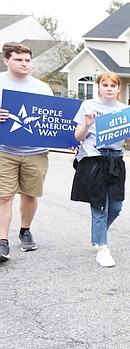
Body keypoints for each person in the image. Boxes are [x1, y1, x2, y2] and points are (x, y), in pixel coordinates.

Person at [70, 71, 130, 268]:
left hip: (116, 160)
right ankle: (102, 248)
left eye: (113, 85)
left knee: (116, 207)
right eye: (105, 85)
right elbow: (78, 136)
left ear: (118, 88)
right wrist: (87, 124)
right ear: (99, 87)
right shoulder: (88, 106)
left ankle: (99, 233)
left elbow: (127, 140)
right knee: (100, 205)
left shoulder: (124, 110)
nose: (109, 89)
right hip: (94, 158)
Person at [0, 42, 54, 262]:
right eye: (18, 60)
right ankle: (2, 241)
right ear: (6, 61)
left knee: (30, 194)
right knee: (4, 196)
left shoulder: (41, 88)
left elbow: (54, 120)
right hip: (4, 150)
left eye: (27, 60)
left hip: (36, 152)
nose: (24, 64)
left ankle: (25, 230)